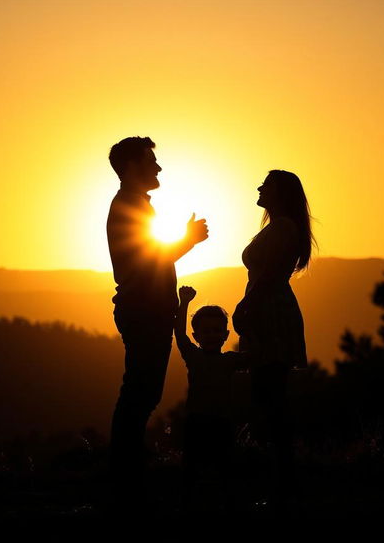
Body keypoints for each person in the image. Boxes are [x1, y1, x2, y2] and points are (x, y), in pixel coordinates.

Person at [106, 136, 208, 491]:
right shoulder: (129, 207)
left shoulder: (132, 205)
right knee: (140, 394)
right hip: (145, 312)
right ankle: (124, 478)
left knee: (142, 393)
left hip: (147, 310)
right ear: (132, 167)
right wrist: (188, 239)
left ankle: (125, 474)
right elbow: (148, 263)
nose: (158, 167)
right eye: (151, 161)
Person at [232, 169, 315, 501]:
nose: (259, 188)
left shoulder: (282, 229)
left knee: (270, 397)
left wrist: (246, 304)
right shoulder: (280, 227)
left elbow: (268, 274)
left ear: (279, 192)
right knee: (268, 396)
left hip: (270, 311)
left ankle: (283, 483)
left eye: (266, 184)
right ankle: (281, 480)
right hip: (269, 309)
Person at [174, 285, 246, 506]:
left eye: (217, 331)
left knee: (226, 466)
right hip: (196, 421)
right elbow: (179, 332)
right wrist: (184, 303)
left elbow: (256, 353)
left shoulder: (231, 360)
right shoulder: (193, 356)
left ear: (225, 334)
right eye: (206, 332)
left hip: (223, 422)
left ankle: (226, 502)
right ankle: (190, 503)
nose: (212, 335)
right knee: (192, 468)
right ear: (197, 336)